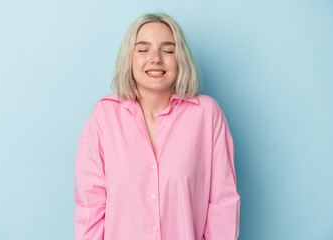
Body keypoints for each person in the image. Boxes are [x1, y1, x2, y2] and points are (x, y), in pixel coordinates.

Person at [74, 12, 240, 240]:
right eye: (143, 49)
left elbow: (223, 203)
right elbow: (90, 207)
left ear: (180, 58)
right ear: (129, 58)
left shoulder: (207, 115)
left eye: (168, 50)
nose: (156, 58)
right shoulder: (104, 116)